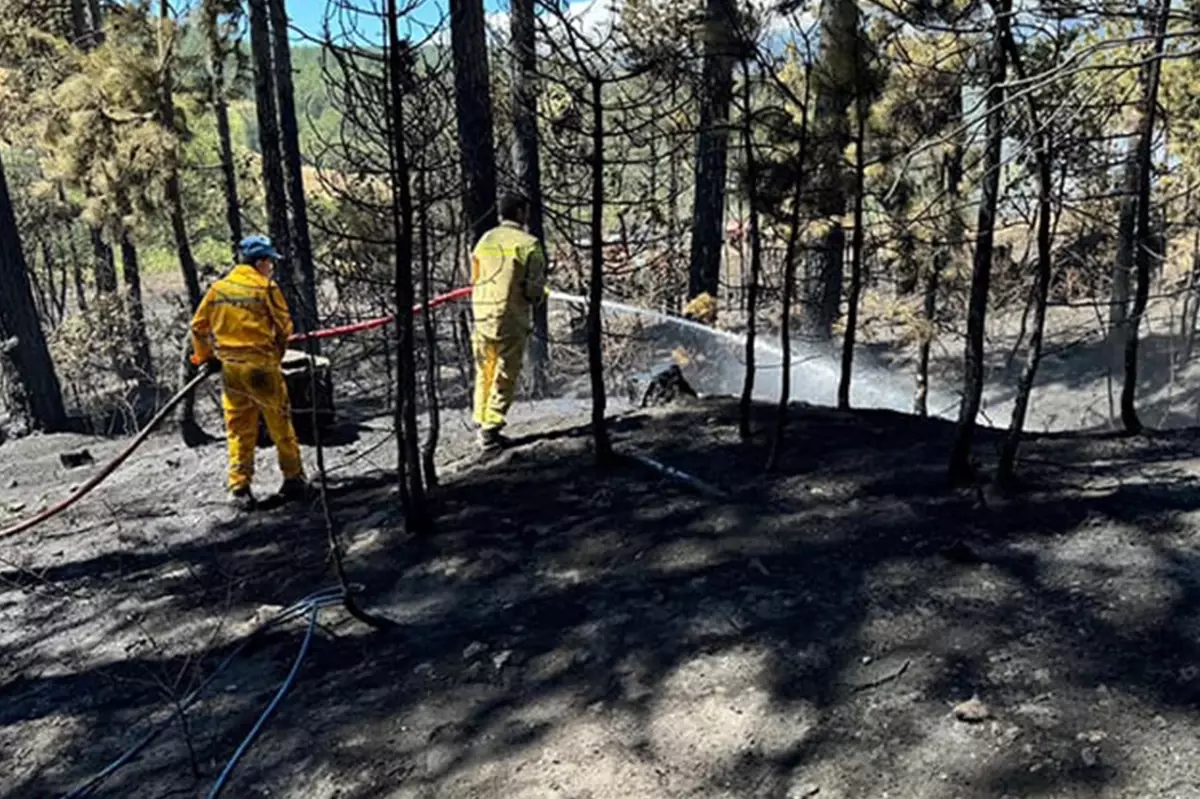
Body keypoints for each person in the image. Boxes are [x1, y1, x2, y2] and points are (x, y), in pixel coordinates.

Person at [190, 235, 308, 510]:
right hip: (261, 367)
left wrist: (206, 357)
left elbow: (198, 326)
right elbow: (284, 328)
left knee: (239, 429)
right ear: (261, 262)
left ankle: (239, 488)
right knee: (280, 425)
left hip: (231, 371)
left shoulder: (218, 289)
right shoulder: (265, 287)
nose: (272, 268)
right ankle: (294, 479)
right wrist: (276, 355)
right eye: (270, 262)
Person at [471, 193, 547, 452]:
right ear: (520, 213)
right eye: (526, 211)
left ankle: (480, 420)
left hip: (481, 315)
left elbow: (475, 277)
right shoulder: (529, 244)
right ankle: (490, 429)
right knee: (505, 373)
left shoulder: (485, 240)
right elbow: (533, 290)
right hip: (509, 318)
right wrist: (540, 296)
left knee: (484, 370)